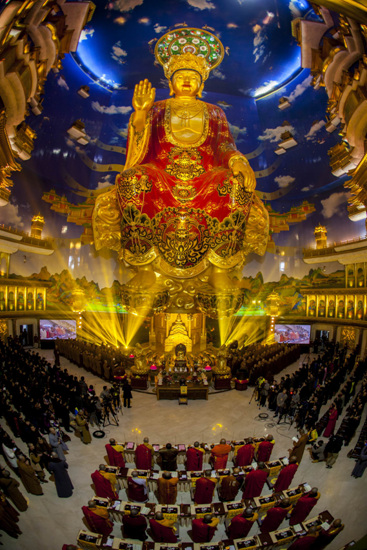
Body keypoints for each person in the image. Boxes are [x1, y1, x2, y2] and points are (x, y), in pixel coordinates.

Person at [93, 41, 269, 282]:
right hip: (162, 173)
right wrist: (142, 113)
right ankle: (143, 263)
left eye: (192, 76)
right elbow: (140, 144)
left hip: (205, 175)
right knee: (131, 180)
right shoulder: (156, 108)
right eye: (181, 75)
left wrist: (238, 162)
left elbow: (225, 144)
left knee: (236, 185)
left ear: (201, 84)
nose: (186, 80)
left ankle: (222, 264)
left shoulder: (215, 112)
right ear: (170, 82)